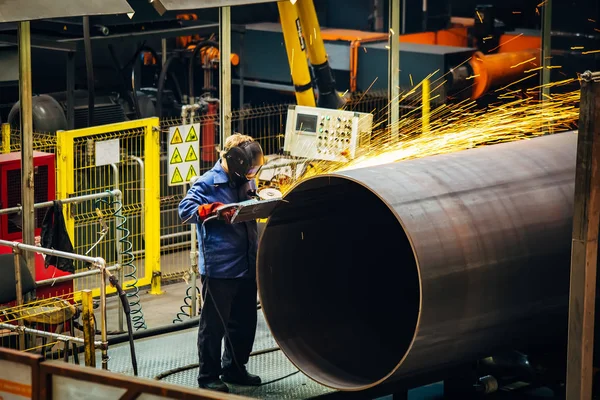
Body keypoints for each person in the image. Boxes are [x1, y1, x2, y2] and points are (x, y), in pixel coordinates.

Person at [178, 133, 265, 393]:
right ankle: (208, 376)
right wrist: (213, 210)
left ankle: (235, 369)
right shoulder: (207, 183)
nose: (250, 172)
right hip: (220, 269)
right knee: (214, 326)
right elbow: (185, 210)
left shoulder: (243, 181)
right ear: (234, 159)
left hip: (247, 264)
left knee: (244, 323)